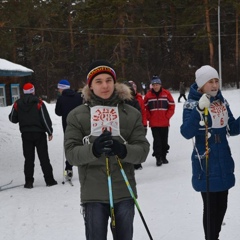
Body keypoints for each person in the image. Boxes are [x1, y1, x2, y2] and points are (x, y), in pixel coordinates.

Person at [64, 60, 150, 240]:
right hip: (93, 195)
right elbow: (71, 154)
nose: (105, 85)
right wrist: (93, 150)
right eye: (99, 81)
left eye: (108, 80)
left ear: (115, 82)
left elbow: (142, 151)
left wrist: (123, 150)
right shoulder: (77, 115)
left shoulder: (131, 113)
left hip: (124, 192)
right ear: (90, 86)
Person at [180, 65, 240, 240]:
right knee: (211, 207)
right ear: (200, 85)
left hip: (224, 161)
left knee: (222, 206)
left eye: (216, 81)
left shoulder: (222, 101)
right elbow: (186, 132)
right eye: (210, 82)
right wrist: (198, 110)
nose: (214, 85)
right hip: (206, 163)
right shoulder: (191, 104)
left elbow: (232, 128)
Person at [9, 83, 57, 189]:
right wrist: (49, 132)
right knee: (44, 157)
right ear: (33, 91)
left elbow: (12, 118)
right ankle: (50, 180)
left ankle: (29, 182)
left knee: (29, 159)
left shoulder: (17, 103)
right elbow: (45, 119)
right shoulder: (39, 103)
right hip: (39, 134)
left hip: (25, 135)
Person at [55, 79, 83, 180]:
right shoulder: (78, 96)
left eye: (59, 88)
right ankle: (83, 166)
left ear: (62, 88)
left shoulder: (61, 99)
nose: (58, 90)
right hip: (80, 125)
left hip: (67, 127)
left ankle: (68, 169)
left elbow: (58, 112)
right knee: (81, 144)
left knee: (70, 146)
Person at [144, 75, 175, 166]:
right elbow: (145, 108)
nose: (155, 86)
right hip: (154, 123)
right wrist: (149, 117)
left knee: (164, 141)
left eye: (157, 84)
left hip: (164, 123)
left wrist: (167, 116)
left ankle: (164, 156)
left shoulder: (166, 93)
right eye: (153, 85)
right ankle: (158, 157)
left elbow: (172, 106)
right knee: (157, 141)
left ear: (160, 85)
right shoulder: (148, 95)